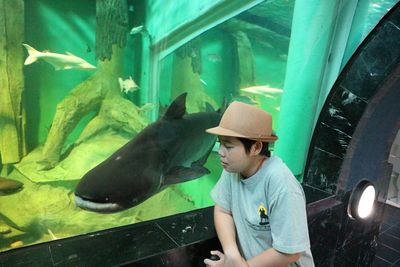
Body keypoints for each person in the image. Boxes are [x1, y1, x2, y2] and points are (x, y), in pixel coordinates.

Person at [203, 101, 314, 267]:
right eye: (220, 143)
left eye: (229, 146)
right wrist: (232, 255)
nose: (220, 152)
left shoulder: (281, 184)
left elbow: (290, 251)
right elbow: (222, 209)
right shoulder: (232, 171)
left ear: (256, 147)